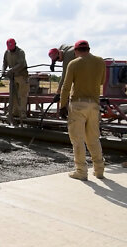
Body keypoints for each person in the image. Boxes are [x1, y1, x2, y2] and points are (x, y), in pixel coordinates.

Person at [59, 40, 105, 181]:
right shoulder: (100, 62)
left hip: (78, 105)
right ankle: (99, 170)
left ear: (76, 51)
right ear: (88, 49)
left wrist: (62, 105)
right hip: (94, 105)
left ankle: (81, 171)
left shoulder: (74, 63)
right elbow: (102, 81)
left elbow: (66, 87)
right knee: (93, 138)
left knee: (77, 139)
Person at [2, 38, 29, 119]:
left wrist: (11, 70)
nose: (11, 50)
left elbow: (21, 64)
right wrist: (3, 70)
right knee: (13, 95)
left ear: (15, 45)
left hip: (22, 76)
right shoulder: (7, 52)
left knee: (22, 95)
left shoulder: (20, 52)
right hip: (13, 77)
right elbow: (4, 63)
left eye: (12, 48)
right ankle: (14, 112)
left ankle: (22, 113)